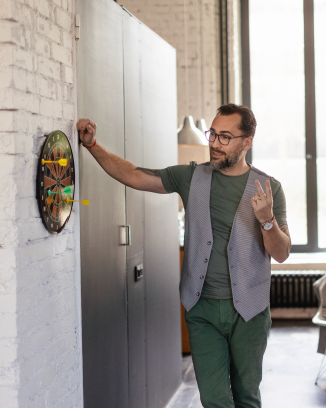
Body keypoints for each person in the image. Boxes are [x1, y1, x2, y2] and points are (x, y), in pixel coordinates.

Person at [76, 103, 291, 408]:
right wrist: (92, 145)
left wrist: (267, 220)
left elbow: (281, 253)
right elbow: (135, 176)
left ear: (247, 142)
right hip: (201, 308)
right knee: (214, 399)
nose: (214, 143)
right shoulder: (190, 177)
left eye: (225, 137)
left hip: (250, 313)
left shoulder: (268, 188)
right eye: (212, 134)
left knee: (246, 397)